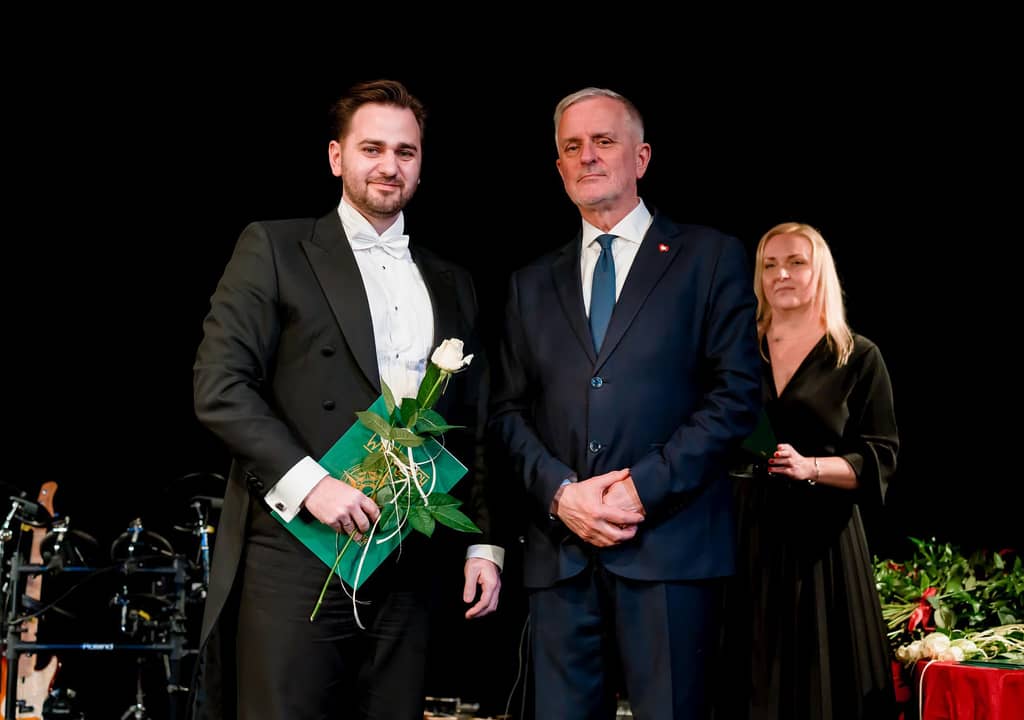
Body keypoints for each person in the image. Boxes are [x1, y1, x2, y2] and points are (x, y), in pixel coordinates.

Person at [190, 79, 503, 720]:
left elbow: (473, 419)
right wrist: (313, 486)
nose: (389, 166)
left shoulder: (453, 280)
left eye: (406, 152)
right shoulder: (275, 247)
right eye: (372, 148)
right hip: (298, 543)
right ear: (337, 157)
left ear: (421, 163)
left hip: (409, 552)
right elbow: (220, 386)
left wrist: (483, 543)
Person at [488, 87, 761, 719]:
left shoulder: (709, 257)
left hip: (671, 550)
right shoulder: (530, 283)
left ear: (641, 157)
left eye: (603, 141)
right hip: (561, 557)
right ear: (559, 167)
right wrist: (561, 494)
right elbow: (505, 413)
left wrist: (642, 489)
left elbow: (737, 397)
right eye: (572, 147)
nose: (587, 156)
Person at [728, 221, 898, 719]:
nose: (781, 274)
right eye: (769, 265)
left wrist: (811, 468)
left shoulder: (857, 356)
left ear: (819, 271)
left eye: (795, 262)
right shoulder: (738, 351)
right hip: (744, 535)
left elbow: (880, 456)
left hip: (822, 544)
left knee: (821, 685)